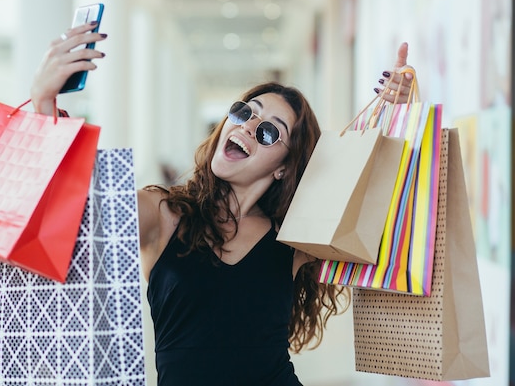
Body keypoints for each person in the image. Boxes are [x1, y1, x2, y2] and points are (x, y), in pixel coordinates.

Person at [31, 21, 414, 386]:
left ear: (284, 167)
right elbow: (75, 215)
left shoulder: (296, 235)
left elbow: (393, 221)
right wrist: (44, 104)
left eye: (267, 131)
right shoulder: (164, 213)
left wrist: (399, 116)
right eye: (245, 112)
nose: (246, 126)